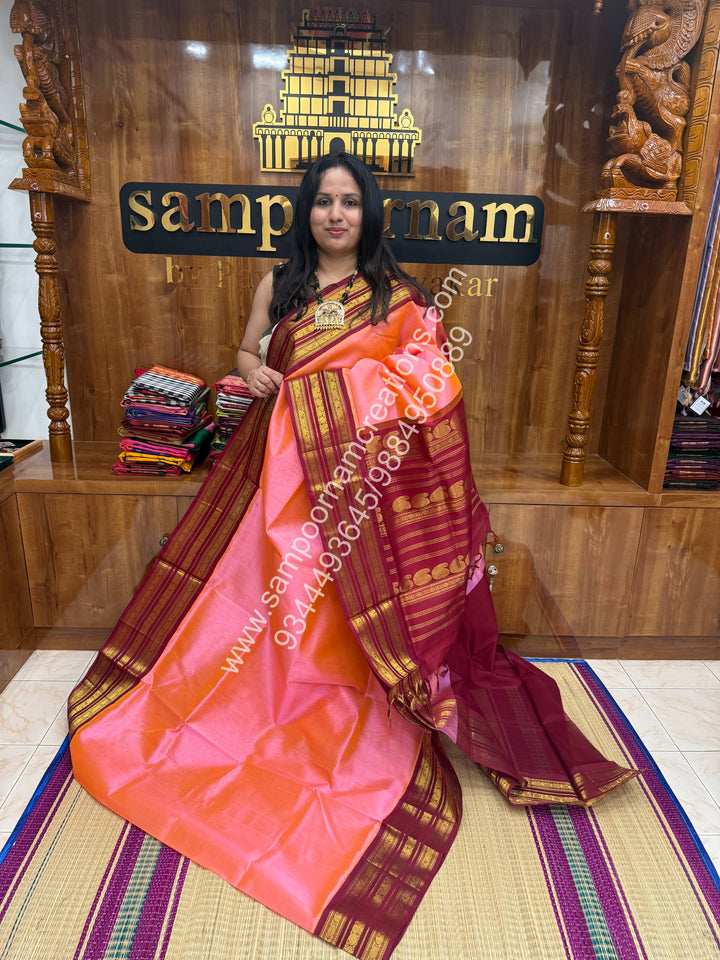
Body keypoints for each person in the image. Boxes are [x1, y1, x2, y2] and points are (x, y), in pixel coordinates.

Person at [68, 152, 636, 960]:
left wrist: (341, 400)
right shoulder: (280, 287)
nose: (336, 214)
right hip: (280, 480)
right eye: (323, 202)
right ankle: (261, 696)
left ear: (369, 214)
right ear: (306, 213)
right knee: (271, 594)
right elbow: (243, 355)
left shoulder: (396, 298)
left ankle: (340, 698)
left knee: (339, 606)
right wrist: (259, 372)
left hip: (359, 490)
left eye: (350, 202)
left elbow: (430, 380)